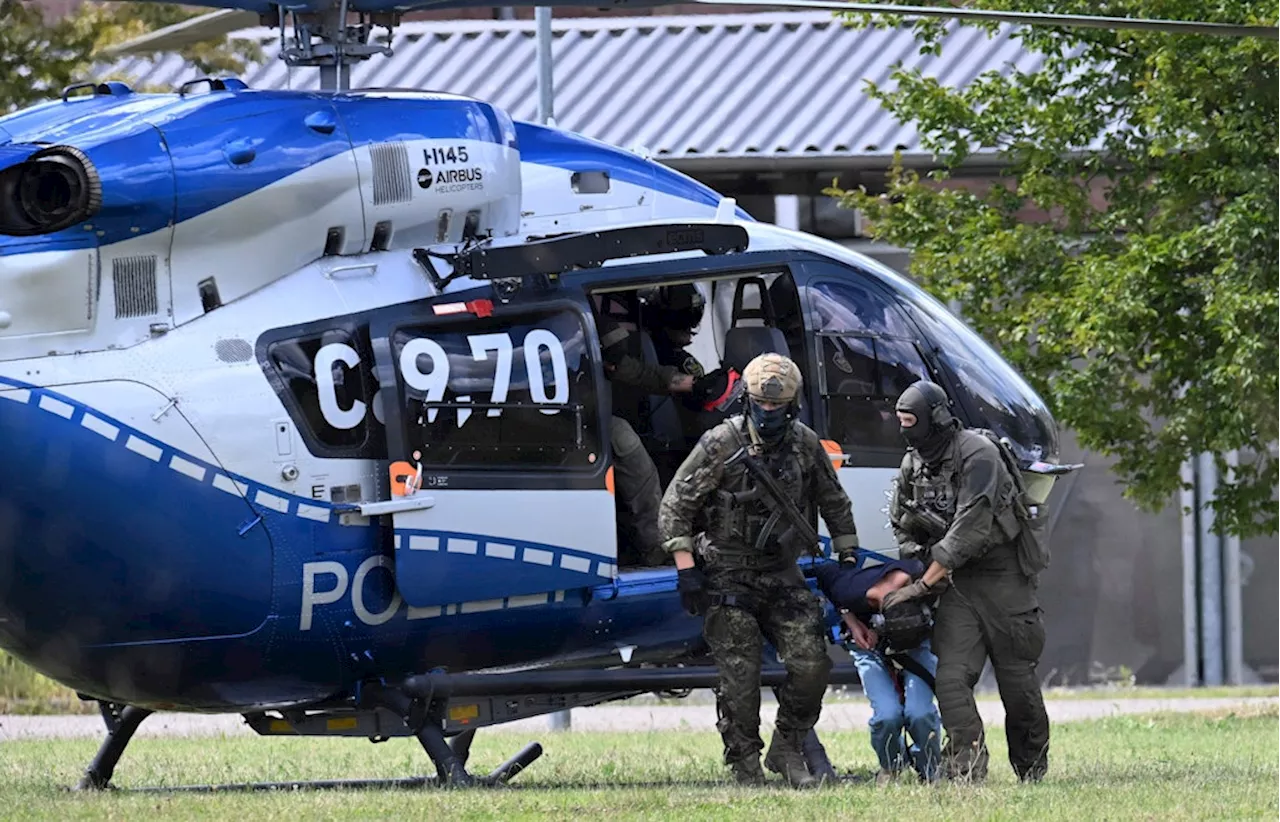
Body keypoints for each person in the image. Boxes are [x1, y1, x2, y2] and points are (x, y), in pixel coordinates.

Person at [657, 352, 860, 788]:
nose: (769, 413)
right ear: (747, 401)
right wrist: (686, 568)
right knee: (740, 676)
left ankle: (787, 747)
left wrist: (847, 554)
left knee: (812, 665)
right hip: (726, 573)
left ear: (793, 404)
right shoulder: (720, 443)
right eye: (761, 405)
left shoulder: (805, 443)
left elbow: (834, 501)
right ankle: (744, 764)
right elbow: (675, 505)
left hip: (780, 572)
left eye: (777, 406)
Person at [881, 380, 1050, 783]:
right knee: (951, 677)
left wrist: (923, 585)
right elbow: (900, 522)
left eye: (912, 421)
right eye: (901, 421)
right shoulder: (914, 463)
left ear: (936, 418)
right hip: (958, 581)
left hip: (1003, 575)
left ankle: (1032, 768)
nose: (906, 429)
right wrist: (920, 563)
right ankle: (966, 765)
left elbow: (969, 530)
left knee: (1016, 681)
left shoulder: (979, 454)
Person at [812, 558, 942, 784]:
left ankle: (930, 770)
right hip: (870, 647)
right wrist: (850, 619)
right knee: (887, 715)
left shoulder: (918, 572)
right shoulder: (848, 590)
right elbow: (823, 572)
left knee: (920, 713)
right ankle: (891, 766)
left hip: (917, 644)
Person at [595, 295, 697, 567]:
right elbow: (622, 367)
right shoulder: (577, 328)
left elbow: (634, 371)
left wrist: (691, 384)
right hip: (575, 422)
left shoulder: (577, 327)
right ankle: (655, 548)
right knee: (631, 453)